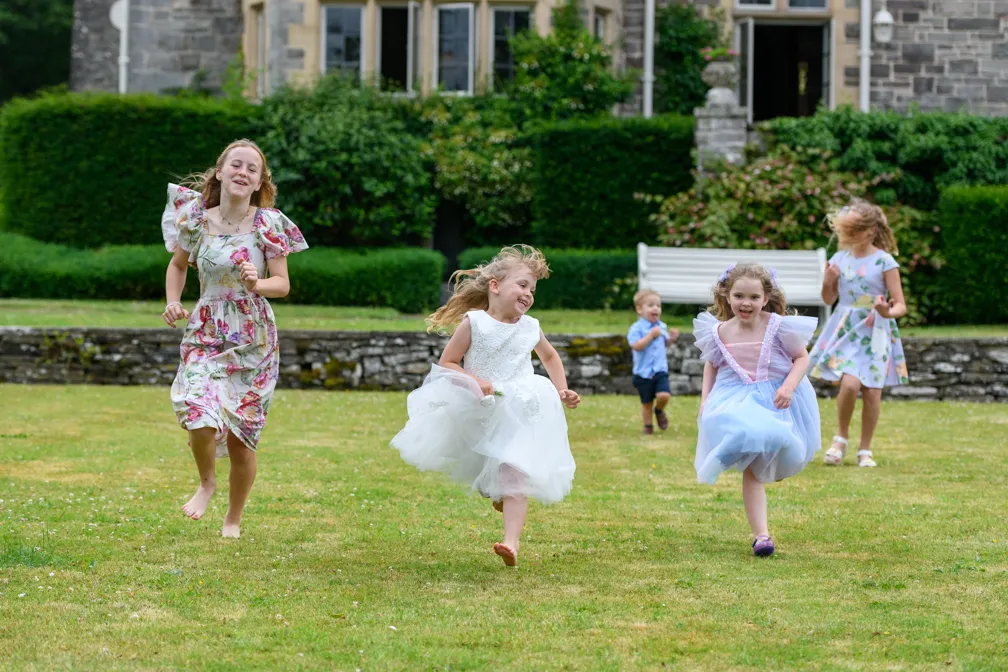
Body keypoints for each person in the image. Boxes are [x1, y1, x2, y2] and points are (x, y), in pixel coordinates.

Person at [390, 245, 579, 567]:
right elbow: (448, 361)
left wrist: (562, 389)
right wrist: (474, 379)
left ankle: (511, 543)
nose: (528, 294)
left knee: (515, 471)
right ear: (495, 286)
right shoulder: (474, 323)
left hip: (522, 405)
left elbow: (548, 355)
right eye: (522, 285)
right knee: (491, 470)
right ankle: (498, 494)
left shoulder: (530, 326)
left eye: (532, 289)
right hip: (483, 405)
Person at [161, 139, 308, 538]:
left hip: (253, 335)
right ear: (221, 172)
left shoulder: (269, 224)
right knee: (196, 402)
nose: (243, 172)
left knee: (243, 437)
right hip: (206, 326)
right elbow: (177, 265)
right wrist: (174, 301)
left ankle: (233, 518)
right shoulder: (195, 219)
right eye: (236, 165)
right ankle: (206, 482)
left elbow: (283, 284)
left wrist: (257, 281)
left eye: (252, 169)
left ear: (260, 181)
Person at [693, 263, 820, 557]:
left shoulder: (778, 326)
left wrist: (788, 386)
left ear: (765, 298)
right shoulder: (718, 331)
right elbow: (711, 365)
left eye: (753, 297)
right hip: (734, 396)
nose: (745, 303)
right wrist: (705, 399)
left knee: (772, 441)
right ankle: (761, 535)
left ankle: (764, 458)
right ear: (726, 295)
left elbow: (801, 358)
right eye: (738, 296)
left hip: (775, 395)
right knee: (749, 452)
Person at [808, 201, 908, 468]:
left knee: (873, 391)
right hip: (846, 328)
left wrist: (886, 312)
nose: (846, 236)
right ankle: (840, 438)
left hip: (875, 330)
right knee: (850, 384)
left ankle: (865, 449)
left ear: (870, 231)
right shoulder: (839, 259)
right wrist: (829, 280)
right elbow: (829, 297)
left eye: (853, 230)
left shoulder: (885, 261)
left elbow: (900, 304)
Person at [627, 289, 680, 435]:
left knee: (664, 395)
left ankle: (659, 410)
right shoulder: (636, 328)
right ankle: (648, 427)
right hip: (643, 373)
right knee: (646, 403)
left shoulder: (661, 327)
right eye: (650, 305)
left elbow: (663, 344)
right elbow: (636, 346)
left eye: (658, 305)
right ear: (639, 309)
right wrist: (650, 336)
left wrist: (671, 339)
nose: (655, 308)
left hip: (659, 369)